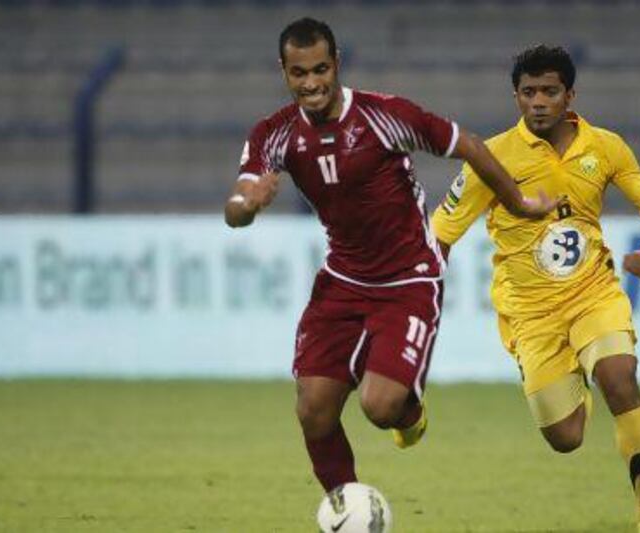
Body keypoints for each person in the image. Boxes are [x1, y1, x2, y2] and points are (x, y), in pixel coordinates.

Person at [225, 18, 558, 496]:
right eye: (299, 73)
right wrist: (248, 205)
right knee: (312, 410)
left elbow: (467, 145)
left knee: (380, 408)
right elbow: (235, 206)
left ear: (336, 64)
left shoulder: (383, 115)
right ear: (284, 72)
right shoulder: (273, 134)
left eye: (321, 69)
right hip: (342, 279)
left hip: (408, 280)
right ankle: (347, 511)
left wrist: (518, 202)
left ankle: (410, 412)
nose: (312, 83)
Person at [432, 45, 640, 532]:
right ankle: (573, 380)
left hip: (593, 294)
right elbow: (440, 233)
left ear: (570, 95)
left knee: (620, 378)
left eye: (549, 91)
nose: (538, 101)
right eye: (528, 92)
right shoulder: (493, 156)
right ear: (516, 97)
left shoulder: (605, 146)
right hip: (531, 313)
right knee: (565, 437)